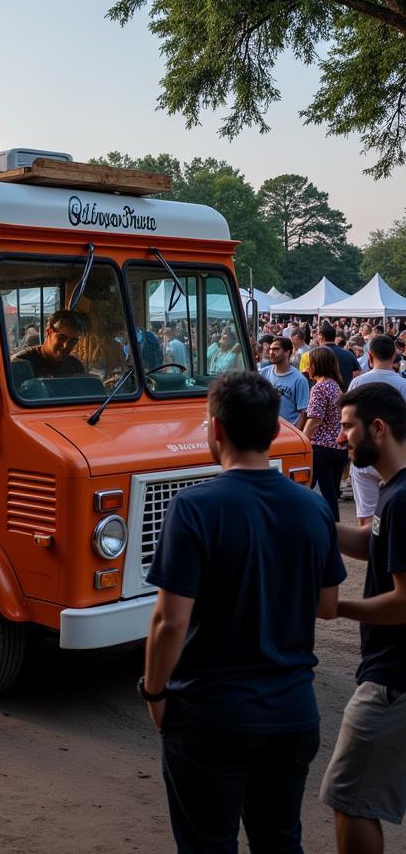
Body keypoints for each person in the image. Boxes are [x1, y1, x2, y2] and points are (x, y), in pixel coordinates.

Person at [143, 371, 344, 853]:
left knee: (207, 844)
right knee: (280, 841)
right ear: (276, 430)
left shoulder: (193, 508)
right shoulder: (314, 508)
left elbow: (170, 621)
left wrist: (153, 691)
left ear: (215, 429)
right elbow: (328, 606)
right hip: (293, 712)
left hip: (212, 712)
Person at [321, 384, 406, 854]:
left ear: (378, 428)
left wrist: (336, 607)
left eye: (348, 427)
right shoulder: (396, 491)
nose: (340, 438)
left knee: (350, 800)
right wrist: (308, 518)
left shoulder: (402, 499)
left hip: (392, 679)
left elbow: (403, 602)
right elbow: (367, 542)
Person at [347, 336, 406, 529]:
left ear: (370, 356)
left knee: (366, 519)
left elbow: (348, 419)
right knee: (396, 516)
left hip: (365, 455)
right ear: (394, 356)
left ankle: (373, 556)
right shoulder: (403, 385)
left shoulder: (357, 383)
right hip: (395, 459)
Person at [305, 344, 349, 522]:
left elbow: (315, 420)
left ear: (317, 364)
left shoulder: (319, 388)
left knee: (306, 490)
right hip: (338, 448)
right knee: (330, 492)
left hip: (321, 448)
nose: (307, 367)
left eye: (310, 363)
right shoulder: (336, 386)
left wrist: (303, 440)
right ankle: (334, 529)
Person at [11, 310, 88, 378]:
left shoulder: (75, 366)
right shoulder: (21, 364)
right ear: (48, 332)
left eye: (73, 341)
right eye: (62, 337)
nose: (66, 345)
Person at [260, 336, 310, 430]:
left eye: (276, 349)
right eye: (270, 349)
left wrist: (295, 436)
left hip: (288, 433)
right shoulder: (263, 373)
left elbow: (303, 413)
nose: (271, 352)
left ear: (287, 352)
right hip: (266, 431)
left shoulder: (299, 380)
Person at [320, 322, 362, 391]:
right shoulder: (348, 354)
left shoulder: (316, 355)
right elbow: (359, 374)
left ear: (321, 337)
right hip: (345, 395)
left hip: (322, 396)